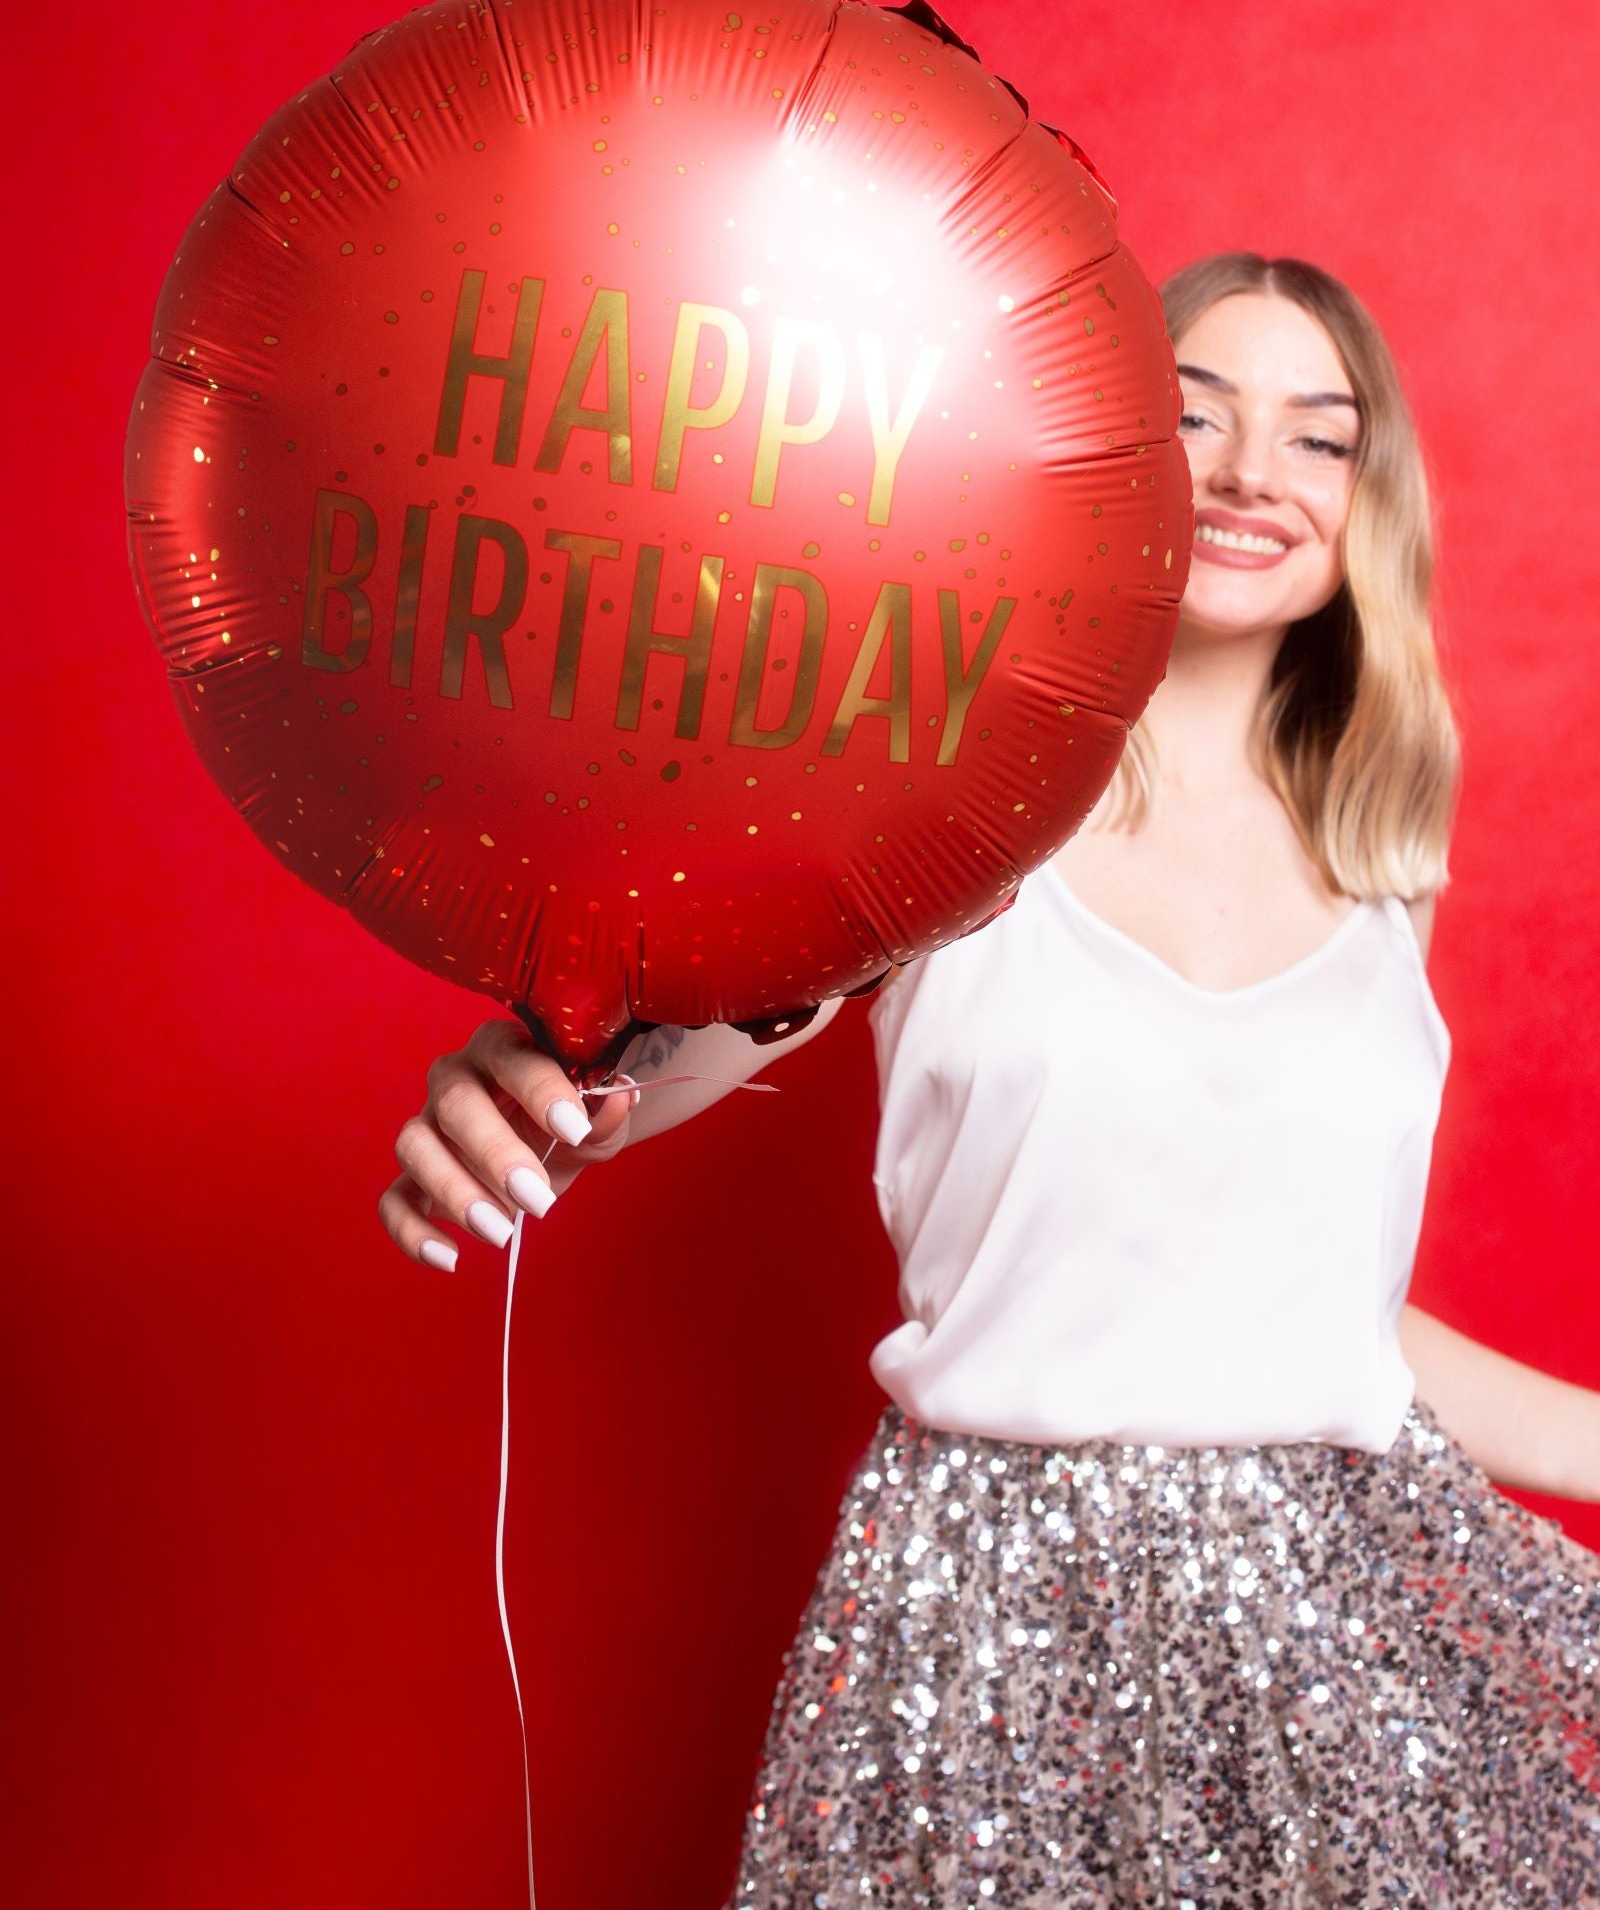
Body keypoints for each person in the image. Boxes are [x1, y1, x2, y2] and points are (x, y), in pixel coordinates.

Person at [377, 253, 1600, 1905]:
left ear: (1367, 500)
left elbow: (1321, 1325)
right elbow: (687, 1042)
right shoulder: (947, 800)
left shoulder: (1383, 868)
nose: (1254, 473)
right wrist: (545, 1088)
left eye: (1321, 437)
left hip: (1341, 1643)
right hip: (989, 1645)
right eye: (1193, 419)